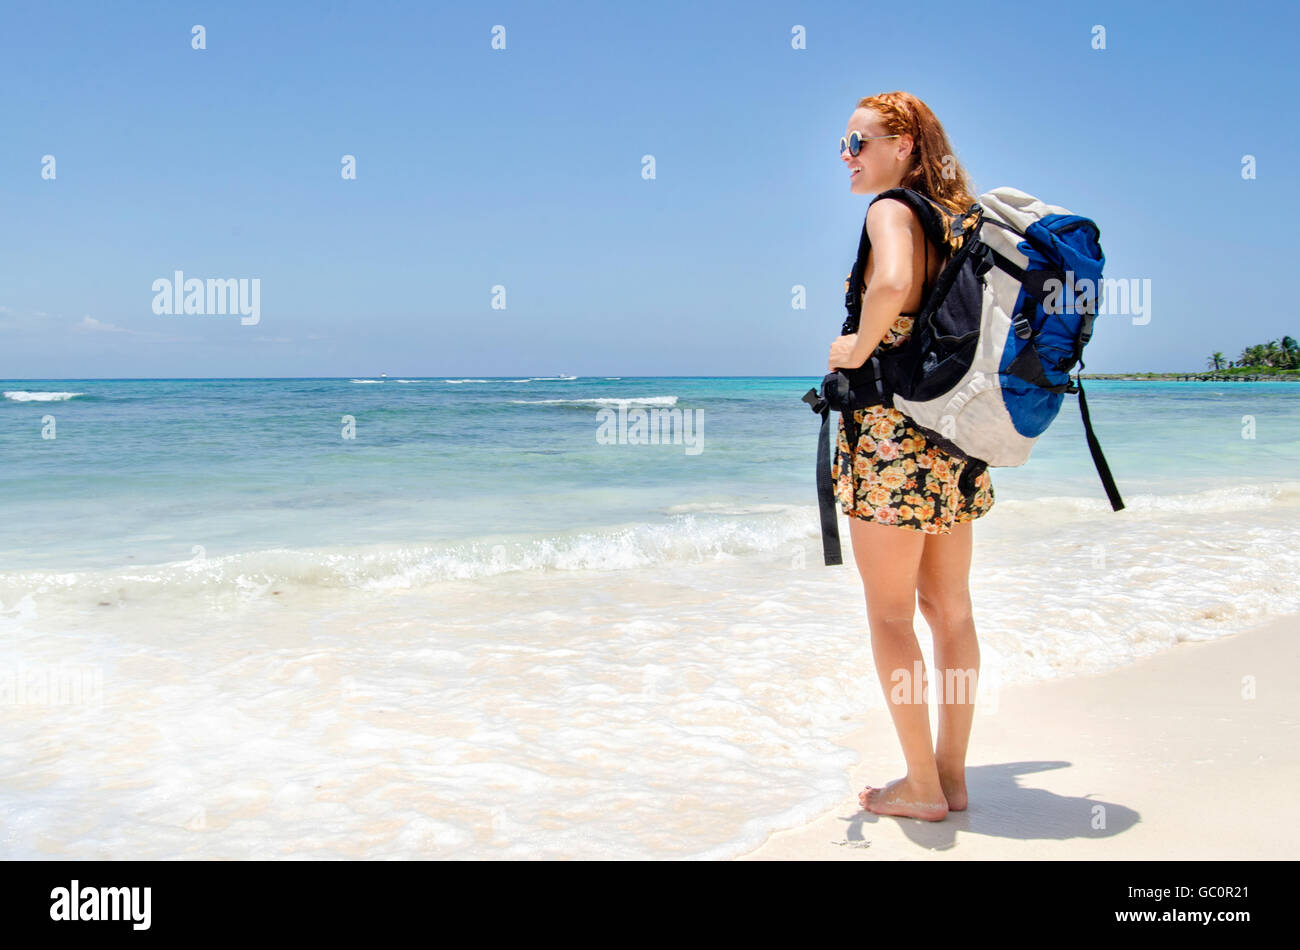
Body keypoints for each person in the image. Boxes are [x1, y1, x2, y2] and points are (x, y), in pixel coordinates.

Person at [827, 91, 995, 821]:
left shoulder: (890, 211)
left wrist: (854, 349)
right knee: (950, 610)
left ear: (904, 146)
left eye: (859, 142)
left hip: (892, 440)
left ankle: (920, 788)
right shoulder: (959, 222)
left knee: (892, 616)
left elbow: (893, 283)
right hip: (955, 437)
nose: (847, 156)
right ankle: (951, 777)